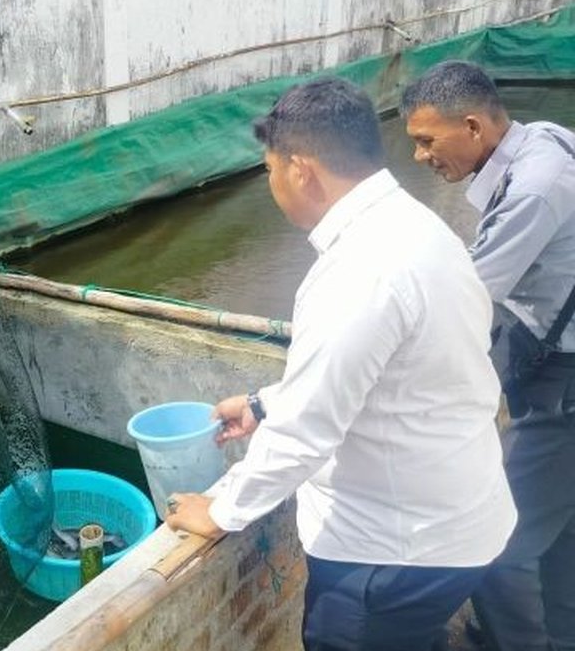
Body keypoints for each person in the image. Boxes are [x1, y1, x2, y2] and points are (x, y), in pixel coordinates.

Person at [165, 77, 517, 651]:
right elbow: (388, 373)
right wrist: (261, 405)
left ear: (301, 169)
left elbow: (306, 432)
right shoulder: (416, 227)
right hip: (454, 522)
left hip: (393, 554)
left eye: (270, 169)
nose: (272, 183)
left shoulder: (360, 269)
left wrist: (223, 512)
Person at [401, 59, 575, 651]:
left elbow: (464, 297)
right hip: (555, 363)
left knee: (499, 544)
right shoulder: (543, 140)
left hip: (564, 388)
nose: (421, 157)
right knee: (560, 534)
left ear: (473, 127)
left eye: (427, 141)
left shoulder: (533, 187)